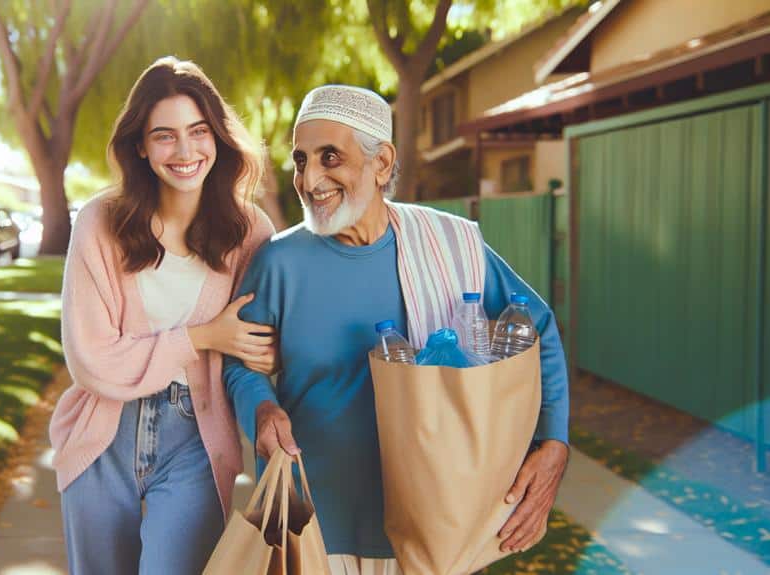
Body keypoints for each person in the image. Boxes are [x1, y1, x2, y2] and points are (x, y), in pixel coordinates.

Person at [224, 85, 570, 574]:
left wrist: (553, 442)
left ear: (382, 163)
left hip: (430, 525)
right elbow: (240, 365)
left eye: (330, 158)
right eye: (300, 160)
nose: (310, 178)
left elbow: (538, 327)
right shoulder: (279, 263)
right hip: (315, 524)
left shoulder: (448, 245)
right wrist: (261, 409)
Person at [50, 56, 276, 575]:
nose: (185, 150)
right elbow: (92, 360)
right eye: (164, 135)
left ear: (217, 137)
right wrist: (202, 337)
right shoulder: (99, 224)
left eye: (198, 131)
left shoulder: (249, 232)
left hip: (196, 439)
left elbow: (260, 344)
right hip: (102, 435)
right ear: (140, 147)